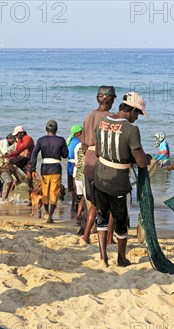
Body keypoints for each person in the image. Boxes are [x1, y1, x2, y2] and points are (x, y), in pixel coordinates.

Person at [94, 92, 150, 267]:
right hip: (118, 184)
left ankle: (103, 257)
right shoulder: (132, 130)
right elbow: (140, 161)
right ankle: (121, 258)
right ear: (131, 110)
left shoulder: (102, 122)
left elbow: (97, 152)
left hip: (99, 179)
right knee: (121, 222)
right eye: (137, 113)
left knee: (101, 218)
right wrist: (146, 158)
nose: (137, 118)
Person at [81, 86, 116, 244]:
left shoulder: (88, 116)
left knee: (94, 203)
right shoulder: (112, 118)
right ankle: (109, 239)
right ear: (112, 100)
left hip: (88, 160)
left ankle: (86, 235)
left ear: (97, 99)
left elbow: (83, 145)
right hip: (104, 161)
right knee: (111, 203)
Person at [30, 120, 68, 223]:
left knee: (45, 191)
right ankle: (50, 216)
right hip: (56, 168)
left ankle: (46, 212)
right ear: (56, 129)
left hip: (45, 168)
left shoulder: (41, 140)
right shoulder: (61, 140)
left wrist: (32, 169)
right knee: (54, 192)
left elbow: (34, 154)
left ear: (46, 129)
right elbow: (65, 155)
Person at [6, 126, 35, 191]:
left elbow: (20, 150)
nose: (16, 136)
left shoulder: (28, 139)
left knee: (29, 175)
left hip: (29, 160)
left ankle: (31, 189)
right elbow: (17, 151)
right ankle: (17, 179)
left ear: (22, 133)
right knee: (8, 161)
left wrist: (9, 155)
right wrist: (11, 158)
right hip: (21, 158)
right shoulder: (19, 140)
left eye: (17, 134)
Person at [0, 134, 17, 202]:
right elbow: (6, 155)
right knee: (9, 180)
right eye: (12, 141)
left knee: (1, 181)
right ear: (8, 138)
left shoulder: (3, 143)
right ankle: (4, 199)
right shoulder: (5, 143)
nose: (12, 143)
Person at [66, 125, 83, 216]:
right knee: (77, 186)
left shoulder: (69, 140)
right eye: (81, 132)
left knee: (71, 187)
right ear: (77, 133)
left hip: (69, 165)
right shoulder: (78, 141)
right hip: (75, 165)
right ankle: (77, 206)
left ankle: (72, 206)